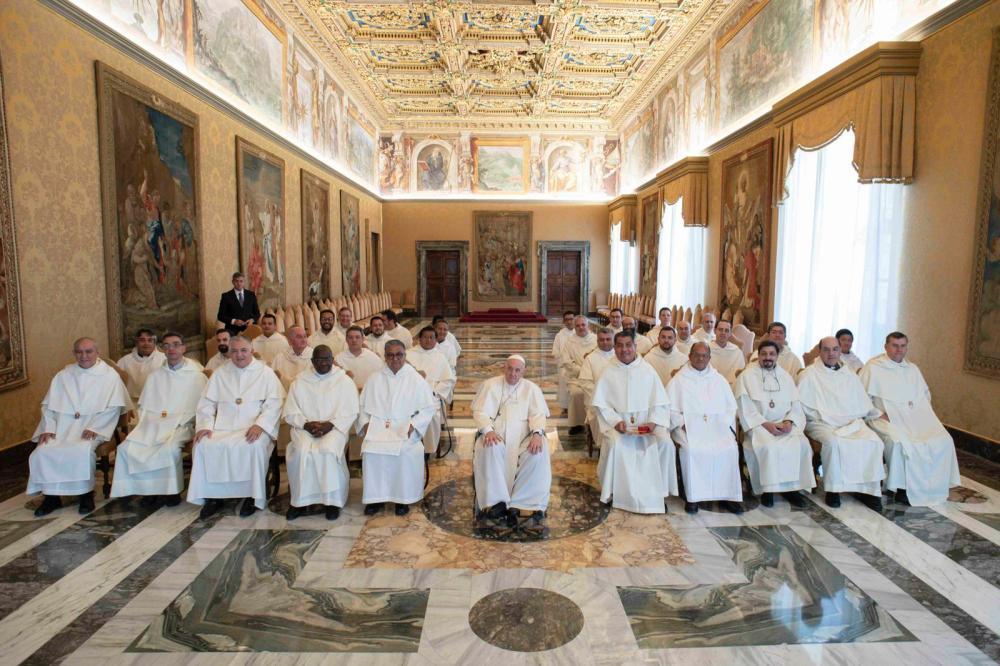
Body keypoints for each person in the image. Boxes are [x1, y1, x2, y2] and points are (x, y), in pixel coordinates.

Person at [29, 338, 133, 516]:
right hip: (62, 428)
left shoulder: (109, 376)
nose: (84, 356)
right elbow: (48, 407)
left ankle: (86, 495)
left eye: (88, 351)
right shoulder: (63, 376)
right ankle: (51, 497)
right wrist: (49, 428)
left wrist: (96, 427)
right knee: (43, 451)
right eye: (79, 352)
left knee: (80, 451)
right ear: (74, 353)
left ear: (97, 353)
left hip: (91, 428)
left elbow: (114, 407)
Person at [189, 336, 284, 518]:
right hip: (222, 427)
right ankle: (213, 496)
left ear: (251, 350)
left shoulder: (265, 373)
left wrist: (260, 425)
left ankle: (252, 496)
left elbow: (274, 404)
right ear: (229, 352)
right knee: (202, 445)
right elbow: (206, 403)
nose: (239, 355)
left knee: (253, 446)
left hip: (253, 426)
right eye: (234, 351)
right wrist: (205, 425)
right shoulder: (220, 373)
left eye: (243, 350)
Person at [860, 332, 959, 506]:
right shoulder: (873, 368)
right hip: (883, 417)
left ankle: (933, 486)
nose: (899, 350)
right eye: (894, 345)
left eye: (902, 346)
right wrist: (878, 414)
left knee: (943, 439)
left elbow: (925, 396)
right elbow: (860, 398)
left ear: (906, 347)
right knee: (899, 442)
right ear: (886, 346)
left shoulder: (912, 369)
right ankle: (902, 488)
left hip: (913, 418)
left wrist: (917, 413)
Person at [111, 332, 206, 505]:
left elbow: (203, 407)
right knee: (127, 448)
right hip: (153, 424)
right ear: (162, 349)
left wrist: (180, 421)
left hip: (182, 425)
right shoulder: (155, 376)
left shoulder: (197, 375)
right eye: (167, 346)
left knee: (168, 449)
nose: (171, 349)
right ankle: (147, 491)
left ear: (183, 348)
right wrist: (149, 422)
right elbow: (145, 406)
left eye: (176, 345)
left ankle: (171, 493)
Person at [592, 332, 677, 513]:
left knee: (665, 443)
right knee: (614, 444)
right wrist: (616, 422)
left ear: (635, 346)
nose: (624, 350)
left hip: (646, 425)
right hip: (619, 426)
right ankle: (614, 491)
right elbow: (601, 405)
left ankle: (659, 493)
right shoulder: (607, 371)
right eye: (620, 345)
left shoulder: (648, 370)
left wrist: (653, 422)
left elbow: (661, 403)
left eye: (628, 345)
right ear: (615, 348)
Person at [797, 336, 885, 510]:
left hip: (851, 421)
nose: (831, 353)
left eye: (835, 349)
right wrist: (828, 416)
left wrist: (877, 414)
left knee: (874, 441)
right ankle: (834, 490)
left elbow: (862, 401)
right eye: (826, 350)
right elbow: (802, 405)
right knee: (833, 443)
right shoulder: (809, 374)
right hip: (821, 422)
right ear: (820, 352)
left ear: (840, 351)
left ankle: (868, 491)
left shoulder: (849, 374)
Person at [358, 340, 437, 516]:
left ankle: (402, 499)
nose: (395, 359)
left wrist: (413, 425)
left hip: (404, 428)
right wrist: (365, 424)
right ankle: (375, 499)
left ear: (404, 355)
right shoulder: (375, 378)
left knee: (405, 452)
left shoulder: (414, 378)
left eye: (399, 355)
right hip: (378, 428)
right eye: (391, 355)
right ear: (385, 357)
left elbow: (428, 408)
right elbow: (362, 406)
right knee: (371, 452)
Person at [281, 345, 359, 520]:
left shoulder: (343, 381)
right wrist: (306, 424)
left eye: (327, 359)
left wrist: (330, 425)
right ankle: (299, 501)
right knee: (300, 452)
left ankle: (332, 502)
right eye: (319, 359)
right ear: (312, 361)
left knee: (327, 451)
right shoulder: (300, 381)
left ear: (332, 359)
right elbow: (290, 411)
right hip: (305, 427)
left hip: (334, 428)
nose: (323, 363)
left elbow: (351, 411)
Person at [472, 355, 551, 525]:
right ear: (504, 368)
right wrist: (488, 430)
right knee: (490, 448)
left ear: (523, 371)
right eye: (510, 369)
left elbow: (538, 414)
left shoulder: (532, 388)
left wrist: (537, 434)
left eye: (517, 370)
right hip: (495, 434)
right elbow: (480, 412)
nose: (513, 374)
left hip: (524, 436)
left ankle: (525, 502)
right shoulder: (490, 385)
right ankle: (496, 502)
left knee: (538, 452)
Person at [666, 342, 743, 514]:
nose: (700, 359)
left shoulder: (719, 380)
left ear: (709, 358)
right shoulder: (678, 380)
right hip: (688, 429)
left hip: (717, 429)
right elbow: (669, 409)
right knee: (691, 450)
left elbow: (731, 408)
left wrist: (720, 425)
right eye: (697, 355)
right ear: (690, 356)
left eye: (704, 355)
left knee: (729, 449)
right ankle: (693, 497)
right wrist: (683, 423)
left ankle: (729, 496)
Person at [734, 340, 813, 507]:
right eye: (764, 354)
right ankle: (768, 490)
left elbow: (796, 405)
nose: (767, 357)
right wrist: (766, 424)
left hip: (784, 423)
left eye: (771, 354)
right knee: (769, 447)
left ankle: (792, 489)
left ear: (777, 356)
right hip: (759, 425)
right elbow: (745, 408)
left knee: (802, 445)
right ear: (758, 356)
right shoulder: (747, 376)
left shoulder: (786, 377)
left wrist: (789, 421)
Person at [407, 326, 456, 457]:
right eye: (425, 337)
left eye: (431, 338)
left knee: (432, 416)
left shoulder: (440, 357)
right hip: (409, 396)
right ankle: (409, 445)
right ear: (419, 339)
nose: (428, 340)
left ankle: (427, 450)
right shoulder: (409, 354)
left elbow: (448, 380)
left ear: (435, 340)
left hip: (431, 396)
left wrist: (435, 392)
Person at [560, 315, 597, 434]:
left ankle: (595, 422)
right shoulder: (569, 342)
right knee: (576, 394)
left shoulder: (596, 340)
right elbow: (567, 361)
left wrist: (590, 372)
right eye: (578, 326)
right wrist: (582, 371)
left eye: (583, 325)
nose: (581, 327)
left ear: (588, 326)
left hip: (593, 377)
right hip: (576, 378)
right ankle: (577, 424)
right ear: (574, 327)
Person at [117, 329, 166, 402]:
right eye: (142, 340)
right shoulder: (124, 361)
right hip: (132, 402)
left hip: (157, 401)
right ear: (136, 342)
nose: (146, 343)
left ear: (154, 343)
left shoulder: (164, 359)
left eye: (150, 340)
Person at [336, 326, 383, 390]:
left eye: (357, 337)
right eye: (350, 337)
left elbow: (380, 377)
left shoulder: (372, 356)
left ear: (363, 339)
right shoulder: (339, 359)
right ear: (346, 340)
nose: (354, 340)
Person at [216, 272, 260, 336]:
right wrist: (234, 321)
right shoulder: (226, 296)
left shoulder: (251, 295)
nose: (239, 283)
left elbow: (257, 313)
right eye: (236, 281)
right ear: (233, 282)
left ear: (244, 282)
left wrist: (252, 320)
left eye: (241, 281)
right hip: (232, 331)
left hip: (249, 330)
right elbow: (220, 316)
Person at [270, 326, 312, 390]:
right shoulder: (280, 357)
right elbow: (273, 380)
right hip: (284, 393)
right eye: (299, 337)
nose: (303, 340)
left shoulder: (314, 356)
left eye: (305, 336)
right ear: (290, 341)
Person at [708, 320, 746, 385]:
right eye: (720, 329)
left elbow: (741, 373)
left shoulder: (736, 351)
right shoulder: (706, 349)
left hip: (731, 385)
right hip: (710, 384)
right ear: (715, 331)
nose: (723, 333)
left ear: (730, 333)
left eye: (726, 330)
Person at [552, 311, 576, 410]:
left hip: (577, 365)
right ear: (564, 321)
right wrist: (564, 362)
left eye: (571, 319)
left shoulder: (580, 332)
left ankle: (576, 406)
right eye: (567, 320)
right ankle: (565, 406)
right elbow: (555, 352)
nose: (569, 322)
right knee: (564, 386)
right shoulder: (560, 335)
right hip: (564, 366)